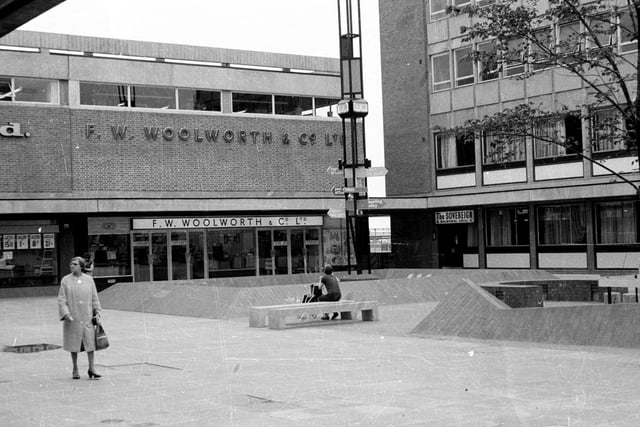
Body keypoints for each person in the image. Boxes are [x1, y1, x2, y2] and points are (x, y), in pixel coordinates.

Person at [58, 256, 102, 380]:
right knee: (74, 343)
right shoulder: (65, 280)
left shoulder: (89, 280)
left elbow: (94, 297)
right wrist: (66, 314)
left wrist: (97, 312)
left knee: (90, 343)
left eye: (75, 264)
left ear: (81, 266)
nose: (72, 266)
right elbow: (62, 299)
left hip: (87, 316)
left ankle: (92, 368)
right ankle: (75, 368)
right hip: (73, 317)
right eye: (71, 264)